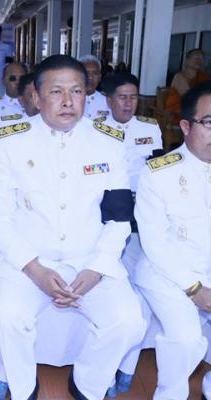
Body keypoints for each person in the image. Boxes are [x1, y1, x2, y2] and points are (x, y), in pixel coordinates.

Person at [0, 54, 146, 400]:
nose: (68, 101)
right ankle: (23, 386)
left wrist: (97, 269)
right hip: (29, 261)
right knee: (4, 318)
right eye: (57, 92)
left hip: (90, 259)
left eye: (77, 91)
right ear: (36, 96)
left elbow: (119, 219)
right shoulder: (10, 143)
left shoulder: (109, 142)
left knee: (129, 320)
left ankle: (87, 382)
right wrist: (35, 270)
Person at [135, 80, 211, 400]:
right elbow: (156, 243)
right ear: (186, 126)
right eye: (209, 122)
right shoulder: (159, 173)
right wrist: (194, 288)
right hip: (168, 274)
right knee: (186, 338)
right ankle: (170, 393)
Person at [98, 72, 163, 397]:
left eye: (133, 97)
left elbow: (158, 171)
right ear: (109, 100)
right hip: (105, 212)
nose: (128, 103)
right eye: (122, 97)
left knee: (137, 282)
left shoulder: (149, 128)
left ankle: (127, 363)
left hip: (141, 213)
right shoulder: (94, 129)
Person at [0, 62, 27, 140]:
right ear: (3, 81)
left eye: (22, 79)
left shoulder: (35, 104)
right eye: (12, 78)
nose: (18, 82)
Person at [166, 48, 210, 123]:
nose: (199, 60)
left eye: (201, 58)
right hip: (181, 112)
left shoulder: (204, 76)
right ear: (187, 60)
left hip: (200, 109)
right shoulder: (179, 77)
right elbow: (191, 99)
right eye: (196, 57)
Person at [79, 54, 110, 120]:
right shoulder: (69, 101)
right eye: (86, 73)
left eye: (95, 73)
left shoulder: (109, 102)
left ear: (100, 77)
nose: (90, 77)